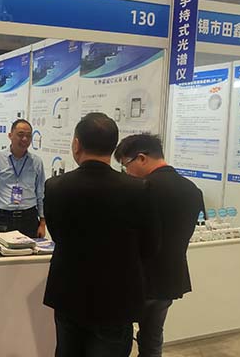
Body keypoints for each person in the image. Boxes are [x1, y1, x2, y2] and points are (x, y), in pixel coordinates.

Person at [44, 112, 158, 357]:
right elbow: (150, 246)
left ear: (76, 145)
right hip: (117, 297)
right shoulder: (139, 189)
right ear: (113, 147)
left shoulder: (55, 187)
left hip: (69, 293)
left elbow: (58, 235)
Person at [114, 134, 205, 357]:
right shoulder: (192, 190)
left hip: (135, 278)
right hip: (169, 278)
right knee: (153, 338)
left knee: (119, 338)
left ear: (141, 158)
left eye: (126, 165)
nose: (126, 172)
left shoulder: (140, 189)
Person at [0, 119, 46, 238]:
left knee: (29, 250)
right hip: (2, 217)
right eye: (20, 135)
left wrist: (42, 222)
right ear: (10, 135)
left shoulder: (36, 162)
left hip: (29, 217)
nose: (25, 139)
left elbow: (41, 193)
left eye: (28, 136)